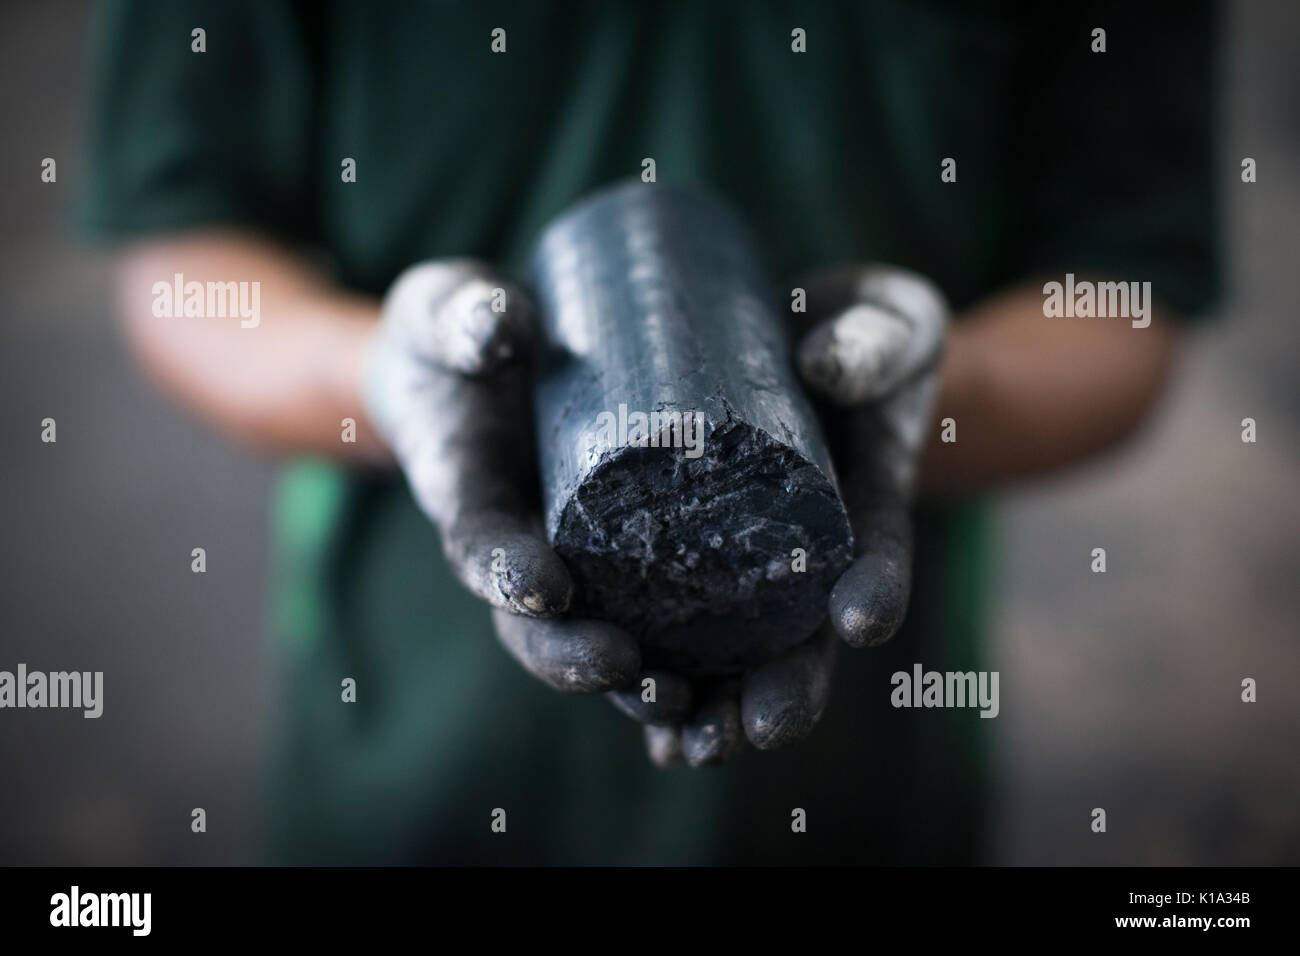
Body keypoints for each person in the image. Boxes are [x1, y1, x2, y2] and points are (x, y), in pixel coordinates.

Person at [84, 0, 1219, 864]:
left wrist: (940, 380)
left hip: (858, 780)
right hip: (406, 757)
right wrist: (371, 372)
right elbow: (184, 255)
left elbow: (1122, 297)